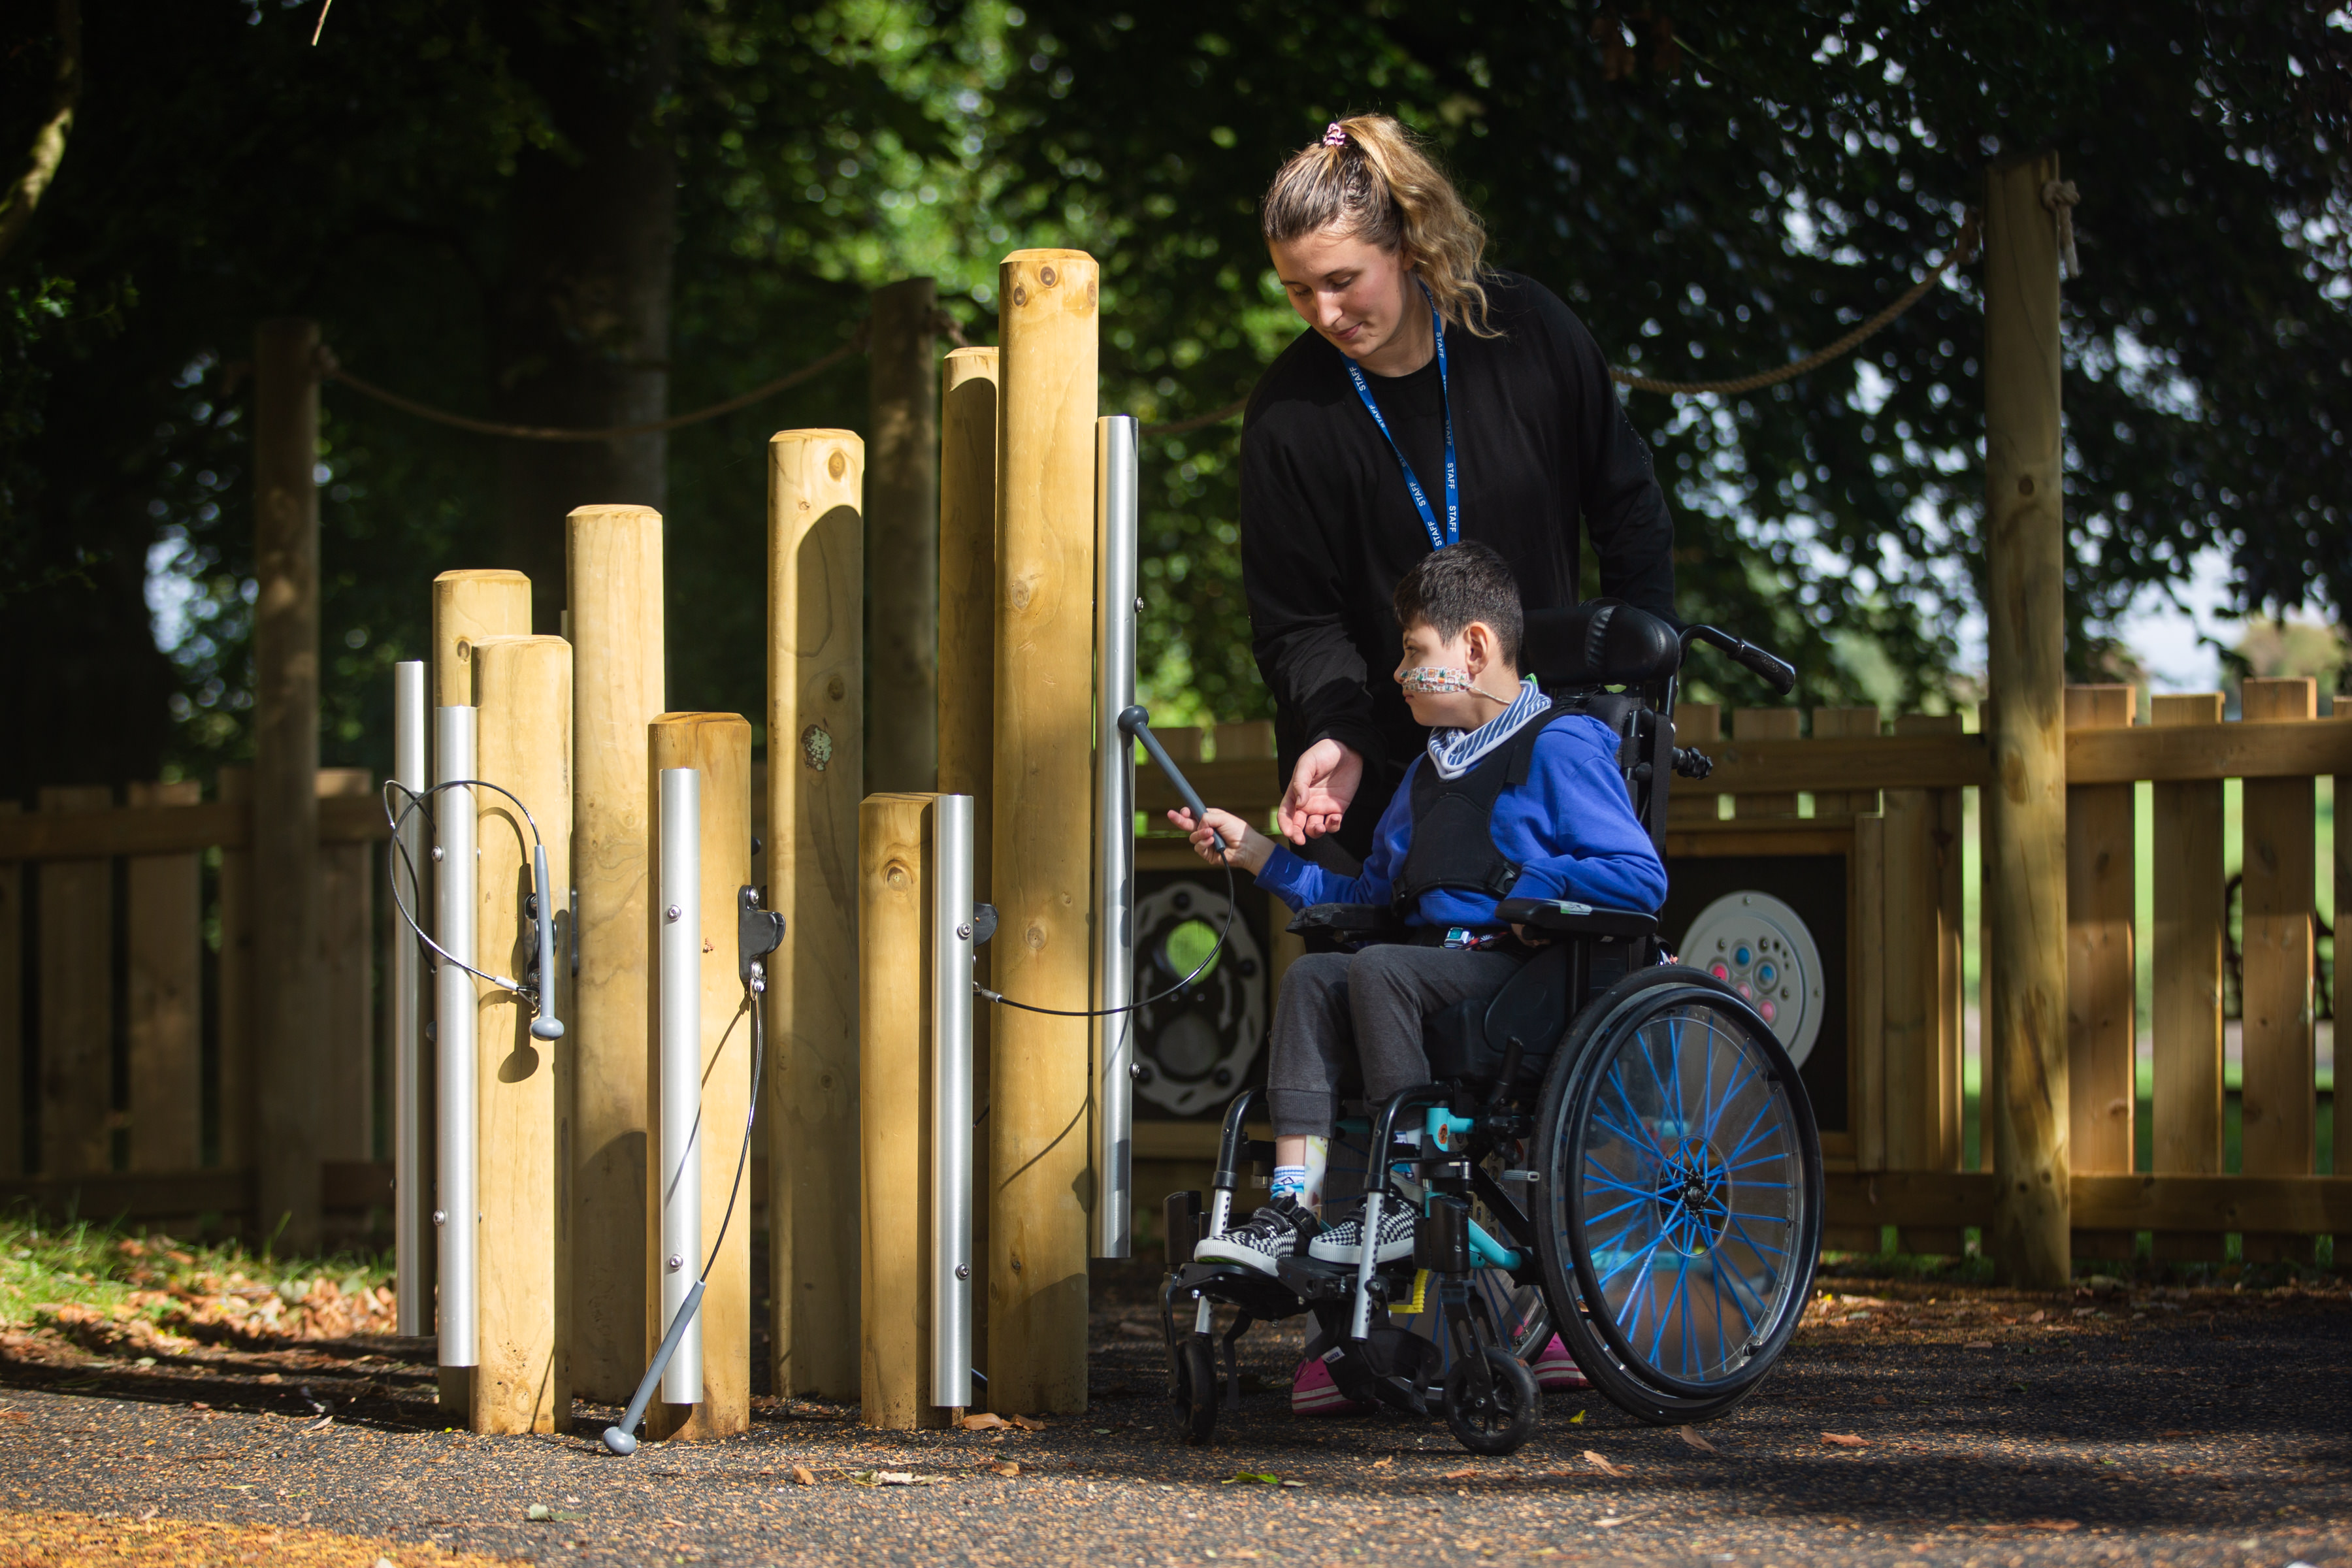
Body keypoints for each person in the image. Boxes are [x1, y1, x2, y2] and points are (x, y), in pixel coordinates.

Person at [1168, 542, 1665, 1285]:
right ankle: (1291, 1205)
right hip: (1422, 972)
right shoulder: (1429, 775)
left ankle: (1401, 1194)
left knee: (1380, 970)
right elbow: (1370, 901)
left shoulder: (1561, 744)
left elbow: (1638, 876)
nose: (1398, 674)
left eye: (1411, 652)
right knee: (1318, 978)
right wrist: (1258, 855)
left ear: (1473, 648)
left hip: (1525, 978)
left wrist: (1536, 890)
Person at [1242, 113, 1677, 873]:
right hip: (1382, 783)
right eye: (1298, 291)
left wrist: (1633, 703)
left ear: (1407, 245)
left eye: (1343, 281)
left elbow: (1629, 508)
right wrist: (1337, 734)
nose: (1325, 315)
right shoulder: (1287, 415)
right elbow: (1299, 624)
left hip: (1547, 763)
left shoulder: (1530, 334)